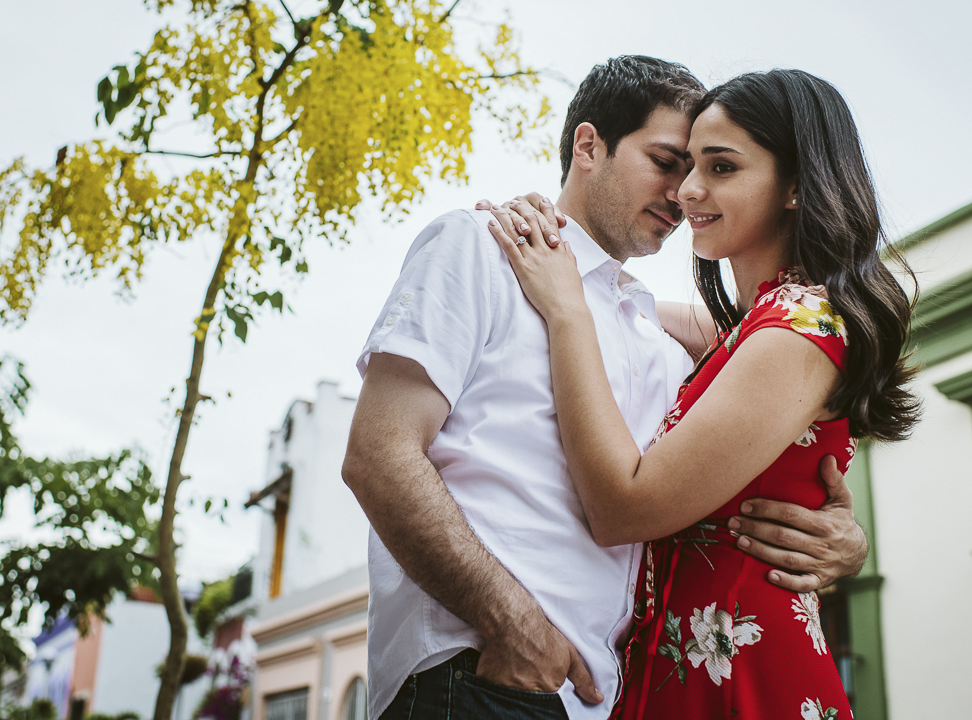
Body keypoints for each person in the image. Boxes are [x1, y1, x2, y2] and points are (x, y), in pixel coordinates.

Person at [342, 57, 869, 720]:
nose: (683, 193)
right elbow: (378, 454)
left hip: (603, 698)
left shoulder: (661, 336)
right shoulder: (482, 247)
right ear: (588, 145)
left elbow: (766, 393)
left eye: (710, 167)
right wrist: (510, 624)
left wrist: (842, 532)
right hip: (480, 670)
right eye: (668, 161)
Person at [484, 69, 918, 718]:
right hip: (682, 673)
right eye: (685, 166)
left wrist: (568, 309)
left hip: (745, 679)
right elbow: (648, 311)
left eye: (720, 167)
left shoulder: (800, 331)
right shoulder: (756, 329)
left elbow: (623, 509)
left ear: (797, 185)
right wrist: (564, 255)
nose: (688, 190)